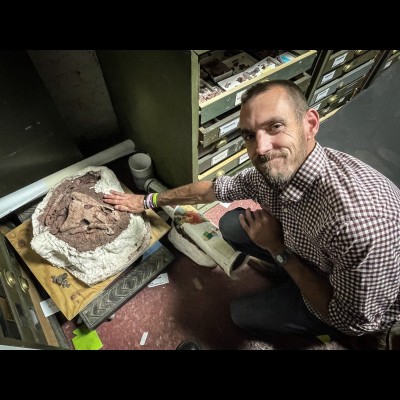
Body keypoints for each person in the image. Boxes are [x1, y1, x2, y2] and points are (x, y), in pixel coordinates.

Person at [103, 80, 400, 344]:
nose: (261, 148)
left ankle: (294, 289)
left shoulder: (359, 224)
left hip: (345, 308)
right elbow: (211, 189)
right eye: (249, 135)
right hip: (312, 256)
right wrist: (149, 201)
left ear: (310, 123)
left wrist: (278, 250)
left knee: (239, 314)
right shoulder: (273, 171)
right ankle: (288, 273)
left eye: (275, 126)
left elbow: (350, 321)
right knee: (233, 224)